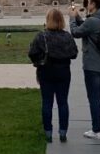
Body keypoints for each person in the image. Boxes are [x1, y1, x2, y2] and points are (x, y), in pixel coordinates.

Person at [69, 0, 100, 140]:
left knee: (93, 97)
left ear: (94, 4)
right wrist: (78, 17)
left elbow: (76, 32)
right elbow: (87, 27)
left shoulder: (93, 20)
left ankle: (96, 130)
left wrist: (71, 18)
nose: (87, 4)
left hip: (92, 64)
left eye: (89, 2)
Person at [28, 8, 79, 142]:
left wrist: (38, 63)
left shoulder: (41, 36)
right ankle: (63, 132)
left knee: (47, 102)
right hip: (63, 72)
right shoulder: (67, 36)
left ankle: (48, 133)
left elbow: (32, 53)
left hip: (46, 71)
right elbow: (74, 54)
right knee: (63, 102)